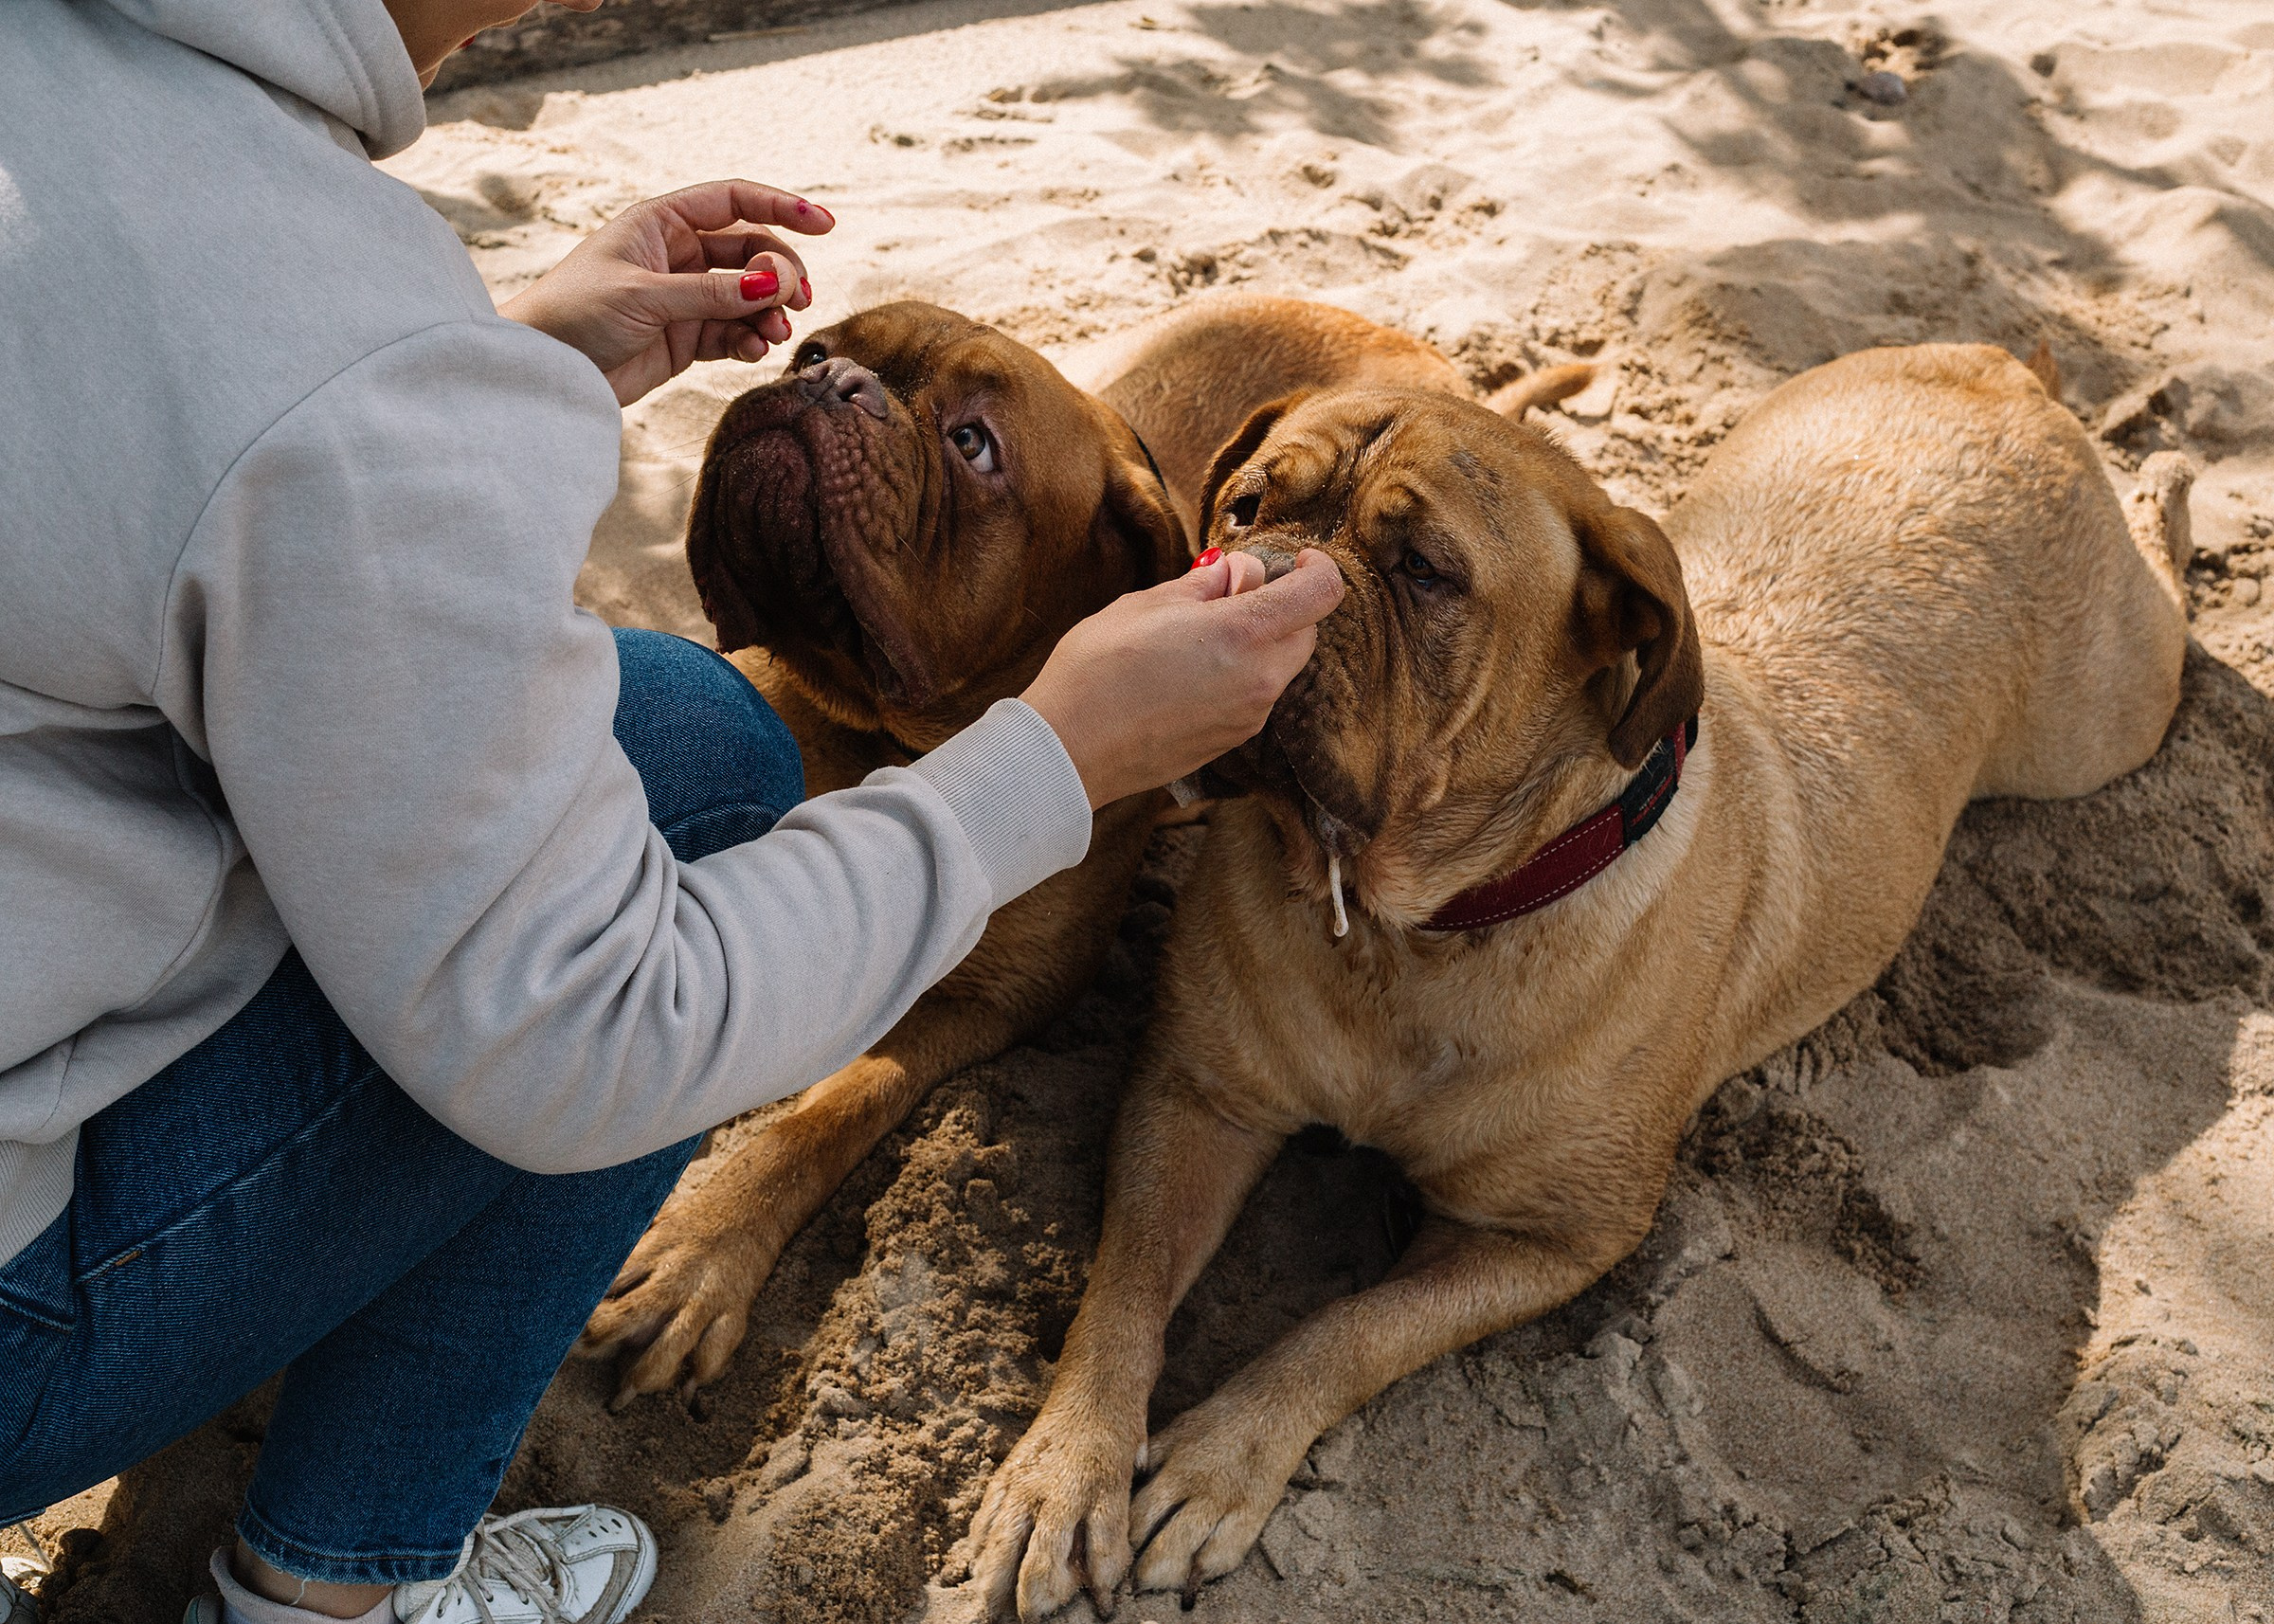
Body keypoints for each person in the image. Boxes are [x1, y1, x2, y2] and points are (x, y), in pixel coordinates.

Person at [0, 0, 1346, 1620]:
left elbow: (164, 417)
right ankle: (329, 1598)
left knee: (669, 730)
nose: (839, 393)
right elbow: (600, 1031)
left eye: (957, 439)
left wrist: (494, 357)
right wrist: (1061, 753)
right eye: (838, 374)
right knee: (699, 787)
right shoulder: (334, 361)